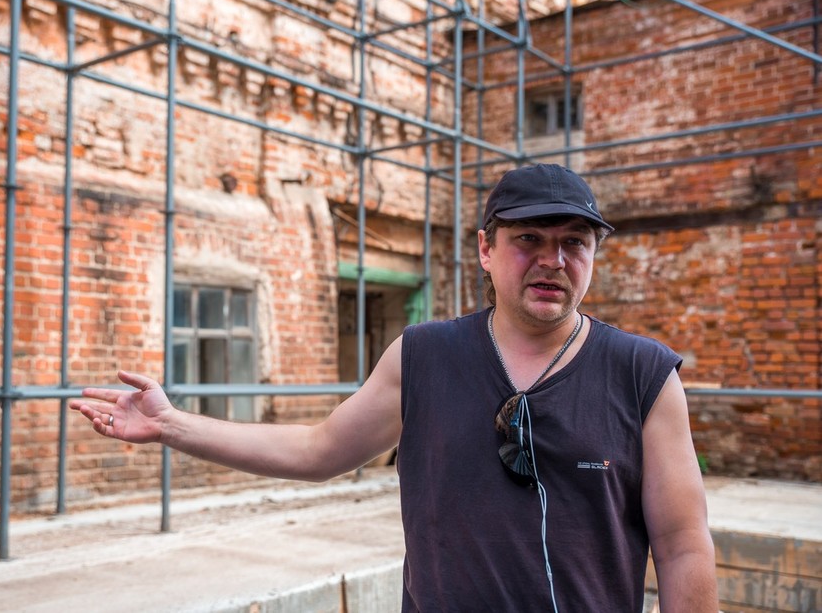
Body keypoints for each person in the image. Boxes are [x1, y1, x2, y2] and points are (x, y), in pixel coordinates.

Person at [71, 163, 718, 612]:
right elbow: (317, 450)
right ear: (486, 249)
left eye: (574, 242)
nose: (554, 260)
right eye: (529, 239)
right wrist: (171, 423)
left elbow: (683, 545)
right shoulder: (424, 357)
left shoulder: (642, 375)